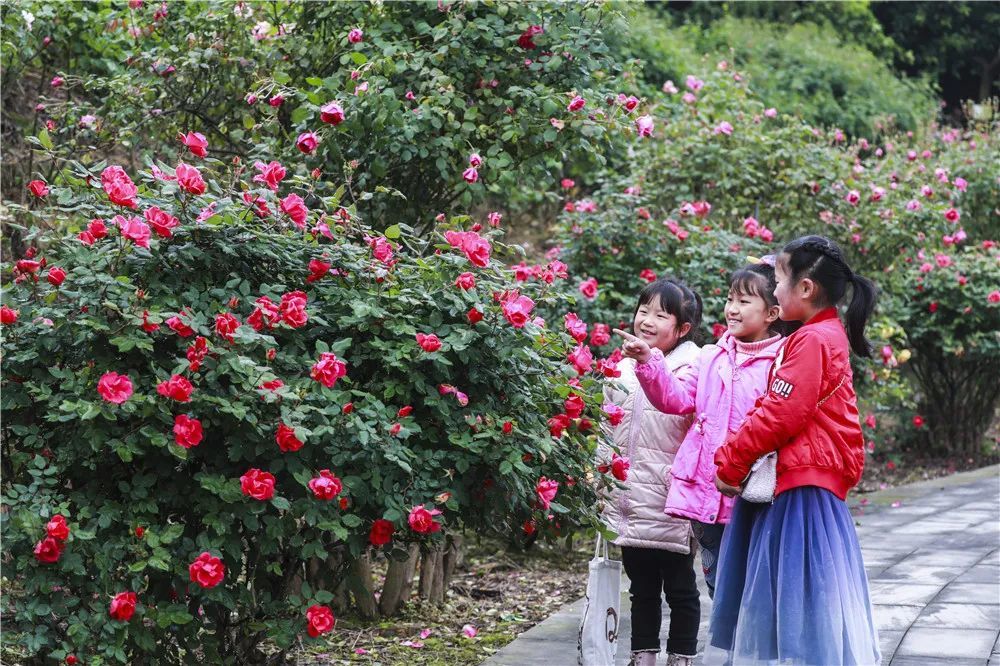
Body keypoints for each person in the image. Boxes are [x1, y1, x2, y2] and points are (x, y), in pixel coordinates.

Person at [705, 235, 882, 666]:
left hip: (798, 490)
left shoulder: (812, 340)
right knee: (805, 606)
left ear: (806, 289)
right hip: (809, 482)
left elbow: (780, 415)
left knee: (793, 607)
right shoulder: (823, 334)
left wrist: (731, 462)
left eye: (779, 277)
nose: (774, 286)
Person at [617, 257, 791, 600]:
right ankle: (732, 647)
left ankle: (752, 649)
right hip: (708, 490)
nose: (733, 309)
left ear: (772, 313)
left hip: (754, 491)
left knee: (757, 584)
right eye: (729, 300)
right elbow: (677, 400)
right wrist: (649, 361)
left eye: (744, 301)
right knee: (718, 586)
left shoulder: (782, 360)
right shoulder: (712, 356)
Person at [599, 278, 703, 666]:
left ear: (682, 329)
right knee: (641, 588)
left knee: (680, 590)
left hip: (670, 501)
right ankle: (642, 656)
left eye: (661, 314)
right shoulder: (621, 368)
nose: (647, 320)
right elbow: (605, 426)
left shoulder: (693, 366)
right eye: (644, 310)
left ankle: (681, 657)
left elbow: (681, 407)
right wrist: (601, 476)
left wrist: (649, 362)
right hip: (629, 497)